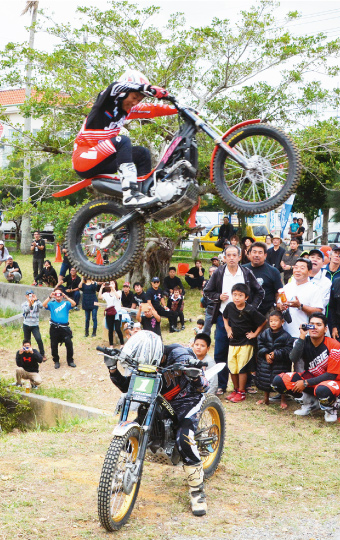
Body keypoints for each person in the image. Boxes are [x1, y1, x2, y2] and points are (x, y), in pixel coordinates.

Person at [107, 333, 209, 515]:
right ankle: (123, 473)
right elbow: (127, 386)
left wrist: (194, 376)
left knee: (184, 438)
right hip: (159, 400)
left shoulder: (181, 355)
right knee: (136, 431)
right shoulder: (143, 361)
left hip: (186, 401)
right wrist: (113, 369)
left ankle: (197, 491)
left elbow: (203, 386)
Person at [72, 70, 176, 208]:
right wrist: (146, 88)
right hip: (84, 159)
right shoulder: (105, 101)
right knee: (123, 140)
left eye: (139, 100)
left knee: (142, 153)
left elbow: (153, 109)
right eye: (134, 97)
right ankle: (130, 194)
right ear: (124, 92)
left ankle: (143, 196)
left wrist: (180, 108)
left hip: (105, 160)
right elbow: (115, 86)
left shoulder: (128, 110)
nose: (135, 103)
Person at [204, 244, 264, 395]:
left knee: (246, 352)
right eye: (228, 255)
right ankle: (221, 385)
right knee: (221, 351)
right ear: (224, 258)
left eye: (234, 255)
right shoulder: (218, 273)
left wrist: (251, 308)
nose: (231, 258)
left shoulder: (246, 272)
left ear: (239, 257)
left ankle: (247, 384)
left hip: (244, 320)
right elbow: (207, 291)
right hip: (224, 317)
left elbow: (260, 292)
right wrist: (218, 297)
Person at [272, 313, 340, 422]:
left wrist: (305, 383)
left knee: (323, 389)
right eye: (311, 324)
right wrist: (302, 335)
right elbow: (293, 358)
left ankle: (331, 408)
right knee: (279, 381)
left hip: (332, 382)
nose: (314, 327)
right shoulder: (304, 341)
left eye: (319, 325)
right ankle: (310, 404)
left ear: (325, 329)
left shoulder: (334, 345)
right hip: (311, 379)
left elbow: (331, 374)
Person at [277, 258, 324, 369]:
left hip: (303, 334)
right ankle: (284, 385)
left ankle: (301, 385)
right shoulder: (287, 287)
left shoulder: (314, 289)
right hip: (286, 333)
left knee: (301, 366)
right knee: (284, 364)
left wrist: (300, 306)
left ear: (309, 272)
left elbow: (318, 311)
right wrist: (280, 306)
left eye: (302, 268)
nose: (297, 270)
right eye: (296, 267)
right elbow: (278, 305)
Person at [223, 283, 267, 402]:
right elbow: (225, 316)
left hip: (246, 342)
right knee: (232, 366)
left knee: (242, 367)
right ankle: (235, 390)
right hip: (233, 341)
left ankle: (242, 392)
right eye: (235, 295)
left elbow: (263, 321)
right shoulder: (230, 306)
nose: (237, 298)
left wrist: (254, 334)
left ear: (246, 297)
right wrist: (227, 328)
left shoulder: (250, 309)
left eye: (240, 295)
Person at [255, 311, 294, 409]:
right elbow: (260, 344)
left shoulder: (287, 336)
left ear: (282, 322)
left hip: (281, 363)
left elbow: (288, 350)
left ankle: (283, 399)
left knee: (282, 380)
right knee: (265, 380)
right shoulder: (264, 333)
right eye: (271, 321)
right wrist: (266, 354)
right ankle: (266, 398)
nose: (273, 323)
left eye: (276, 321)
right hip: (266, 361)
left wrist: (275, 354)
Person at [243, 241, 283, 316]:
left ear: (265, 255)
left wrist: (279, 303)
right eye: (254, 252)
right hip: (245, 311)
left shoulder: (273, 271)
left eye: (260, 252)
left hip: (267, 312)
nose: (257, 255)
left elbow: (278, 292)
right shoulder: (242, 269)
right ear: (249, 254)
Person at [42, 290, 76, 369]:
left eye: (59, 294)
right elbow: (44, 304)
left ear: (62, 295)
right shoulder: (52, 304)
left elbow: (74, 304)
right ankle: (56, 361)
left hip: (64, 328)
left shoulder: (66, 303)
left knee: (69, 343)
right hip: (54, 327)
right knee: (54, 345)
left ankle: (70, 360)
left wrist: (66, 296)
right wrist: (50, 296)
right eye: (56, 294)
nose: (58, 296)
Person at [98, 281, 124, 347]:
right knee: (110, 329)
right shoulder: (107, 294)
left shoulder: (119, 292)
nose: (111, 285)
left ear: (115, 285)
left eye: (113, 283)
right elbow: (100, 297)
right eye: (110, 283)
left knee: (118, 329)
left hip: (117, 313)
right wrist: (101, 288)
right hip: (109, 313)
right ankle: (111, 344)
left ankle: (122, 343)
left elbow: (118, 297)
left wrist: (114, 289)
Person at [22, 290, 46, 360]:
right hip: (26, 324)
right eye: (28, 295)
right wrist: (30, 304)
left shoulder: (37, 303)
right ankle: (26, 353)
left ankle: (42, 354)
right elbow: (25, 311)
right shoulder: (24, 304)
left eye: (31, 295)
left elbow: (42, 306)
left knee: (38, 339)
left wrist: (36, 300)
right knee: (27, 340)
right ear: (26, 296)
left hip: (35, 325)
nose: (30, 296)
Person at [202, 266, 218, 335]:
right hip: (210, 308)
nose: (212, 273)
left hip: (219, 307)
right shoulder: (207, 283)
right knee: (206, 329)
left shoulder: (222, 282)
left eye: (213, 271)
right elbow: (204, 296)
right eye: (210, 271)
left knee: (219, 329)